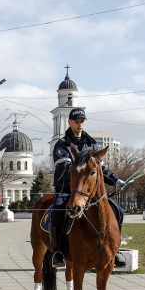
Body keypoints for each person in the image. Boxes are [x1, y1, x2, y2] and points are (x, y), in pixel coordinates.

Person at [51, 107, 127, 268]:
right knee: (57, 211)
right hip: (67, 190)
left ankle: (115, 250)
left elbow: (99, 169)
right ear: (69, 122)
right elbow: (63, 170)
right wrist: (81, 175)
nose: (79, 124)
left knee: (118, 210)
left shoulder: (90, 143)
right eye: (76, 121)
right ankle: (57, 251)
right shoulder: (61, 145)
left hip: (90, 193)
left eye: (82, 121)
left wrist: (116, 180)